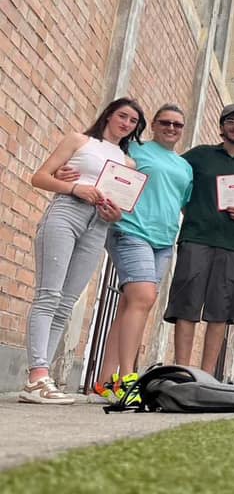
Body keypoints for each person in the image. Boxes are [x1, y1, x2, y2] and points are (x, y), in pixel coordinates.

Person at [60, 105, 193, 404]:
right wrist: (65, 173)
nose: (172, 128)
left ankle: (105, 381)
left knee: (132, 305)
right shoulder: (134, 149)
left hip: (162, 241)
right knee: (143, 297)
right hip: (129, 230)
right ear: (154, 125)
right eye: (165, 123)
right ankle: (129, 379)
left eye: (178, 125)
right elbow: (97, 159)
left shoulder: (185, 167)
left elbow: (183, 203)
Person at [20, 97, 145, 404]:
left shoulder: (128, 163)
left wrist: (116, 214)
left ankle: (40, 379)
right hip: (67, 213)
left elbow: (123, 207)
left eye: (133, 122)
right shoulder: (80, 141)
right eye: (122, 116)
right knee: (49, 295)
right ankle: (37, 375)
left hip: (99, 226)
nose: (126, 124)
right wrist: (76, 188)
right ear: (108, 115)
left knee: (67, 303)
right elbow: (39, 177)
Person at [163, 103, 234, 375]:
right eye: (230, 121)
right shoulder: (199, 156)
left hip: (233, 243)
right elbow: (175, 179)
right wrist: (190, 211)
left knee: (220, 310)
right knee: (187, 305)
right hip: (196, 238)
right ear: (221, 128)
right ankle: (183, 370)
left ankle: (206, 375)